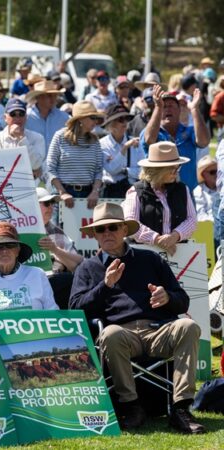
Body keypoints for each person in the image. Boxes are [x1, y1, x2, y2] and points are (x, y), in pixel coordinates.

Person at [69, 202, 202, 433]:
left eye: (112, 227)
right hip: (121, 334)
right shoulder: (87, 268)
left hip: (159, 329)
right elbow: (76, 309)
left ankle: (180, 408)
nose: (107, 233)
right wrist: (106, 285)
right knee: (110, 334)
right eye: (101, 229)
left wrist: (167, 297)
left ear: (124, 230)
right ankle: (131, 407)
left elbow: (183, 301)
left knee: (188, 326)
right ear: (94, 236)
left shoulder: (150, 260)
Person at [122, 142, 196, 256]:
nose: (176, 172)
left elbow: (192, 220)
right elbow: (131, 223)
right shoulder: (136, 191)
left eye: (178, 167)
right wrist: (157, 239)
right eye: (172, 169)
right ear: (158, 170)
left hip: (178, 253)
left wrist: (174, 236)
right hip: (144, 254)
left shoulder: (182, 189)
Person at [0, 222, 57, 310]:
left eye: (10, 245)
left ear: (18, 250)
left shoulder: (37, 274)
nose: (4, 251)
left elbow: (52, 311)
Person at [142, 85, 210, 191]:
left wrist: (194, 109)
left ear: (179, 111)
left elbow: (204, 142)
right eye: (164, 106)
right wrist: (158, 107)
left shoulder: (189, 131)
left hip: (186, 196)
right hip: (158, 194)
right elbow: (149, 140)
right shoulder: (151, 132)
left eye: (171, 105)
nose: (168, 109)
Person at [46, 100, 104, 209]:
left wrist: (95, 191)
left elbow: (99, 170)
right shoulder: (60, 136)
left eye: (96, 118)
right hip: (62, 194)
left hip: (88, 196)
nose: (96, 121)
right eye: (92, 117)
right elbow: (50, 167)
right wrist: (62, 192)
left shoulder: (95, 140)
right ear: (80, 119)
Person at [36, 187, 84, 309]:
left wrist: (55, 250)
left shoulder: (57, 232)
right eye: (46, 204)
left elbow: (78, 263)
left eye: (52, 203)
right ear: (34, 206)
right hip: (31, 281)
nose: (51, 207)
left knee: (72, 279)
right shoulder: (20, 231)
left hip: (54, 280)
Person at [0, 98, 46, 179]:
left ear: (26, 117)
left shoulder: (37, 137)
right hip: (4, 186)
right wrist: (27, 171)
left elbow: (36, 164)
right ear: (5, 117)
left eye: (21, 114)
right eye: (13, 114)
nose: (17, 118)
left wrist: (21, 138)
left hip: (33, 186)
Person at [100, 104, 143, 198]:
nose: (125, 122)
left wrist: (125, 171)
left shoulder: (136, 142)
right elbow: (112, 170)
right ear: (111, 124)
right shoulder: (102, 144)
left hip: (133, 191)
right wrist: (125, 148)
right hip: (110, 192)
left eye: (126, 118)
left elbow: (142, 171)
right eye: (120, 119)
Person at [25, 80, 70, 151]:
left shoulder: (64, 117)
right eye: (49, 95)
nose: (53, 98)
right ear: (38, 98)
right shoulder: (26, 118)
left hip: (57, 161)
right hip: (34, 161)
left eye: (55, 95)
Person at [194, 155, 218, 222]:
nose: (217, 174)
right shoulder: (198, 191)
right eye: (213, 172)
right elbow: (201, 216)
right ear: (203, 174)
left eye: (218, 171)